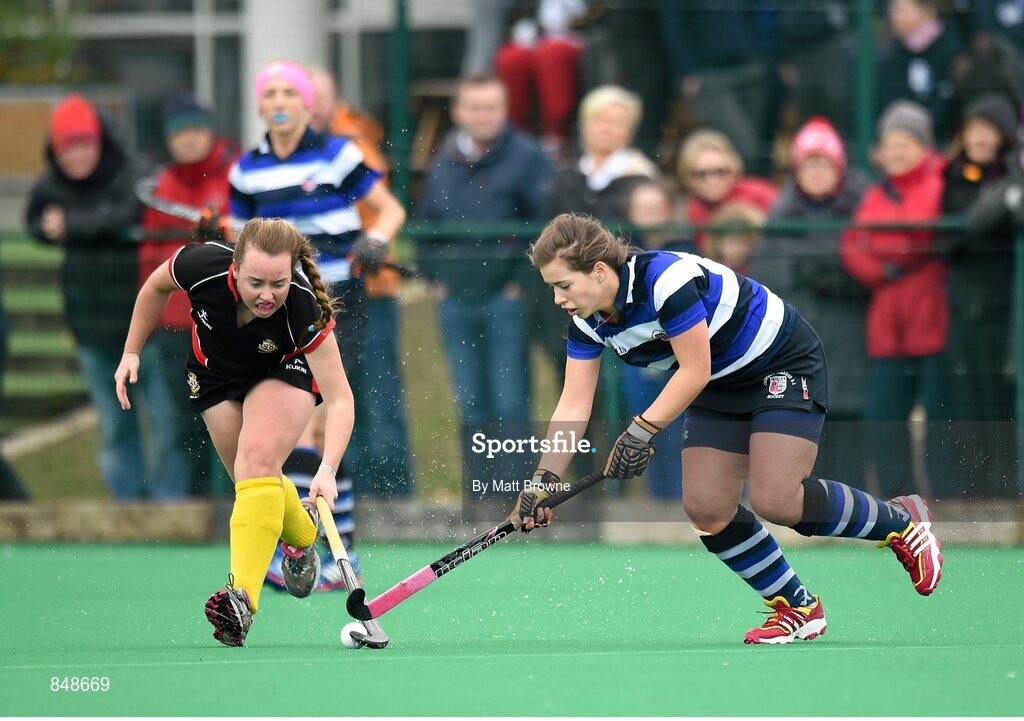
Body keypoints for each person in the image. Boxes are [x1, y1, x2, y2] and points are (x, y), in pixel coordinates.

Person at [507, 213, 943, 644]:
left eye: (563, 285)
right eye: (552, 288)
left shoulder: (665, 280)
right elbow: (574, 402)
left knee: (776, 497)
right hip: (719, 383)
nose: (558, 298)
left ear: (599, 270)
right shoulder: (586, 321)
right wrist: (542, 481)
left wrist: (641, 430)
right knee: (706, 506)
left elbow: (694, 370)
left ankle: (902, 524)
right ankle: (797, 607)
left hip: (779, 361)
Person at [114, 218, 352, 647]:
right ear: (235, 269)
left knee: (258, 459)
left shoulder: (302, 307)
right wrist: (131, 351)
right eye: (256, 282)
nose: (267, 295)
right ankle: (301, 535)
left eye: (278, 283)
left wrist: (328, 468)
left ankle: (240, 600)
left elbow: (340, 400)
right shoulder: (200, 264)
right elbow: (154, 288)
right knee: (253, 481)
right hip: (214, 377)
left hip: (282, 370)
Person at [229, 60, 406, 590]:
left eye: (290, 92)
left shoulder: (338, 153)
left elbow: (389, 209)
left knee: (321, 421)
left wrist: (378, 239)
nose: (280, 101)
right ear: (260, 105)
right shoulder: (246, 170)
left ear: (308, 106)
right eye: (271, 93)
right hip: (274, 306)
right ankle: (313, 549)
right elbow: (243, 243)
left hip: (335, 296)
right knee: (289, 428)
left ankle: (327, 551)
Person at [25, 93, 189, 500]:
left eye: (84, 145)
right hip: (90, 329)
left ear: (98, 141)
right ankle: (127, 507)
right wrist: (47, 226)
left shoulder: (131, 170)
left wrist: (72, 225)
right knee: (115, 426)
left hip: (143, 327)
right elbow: (33, 219)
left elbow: (125, 214)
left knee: (165, 422)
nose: (76, 157)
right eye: (67, 149)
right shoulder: (52, 182)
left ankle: (170, 508)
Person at [418, 73, 555, 489]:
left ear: (504, 109)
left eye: (492, 107)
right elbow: (426, 227)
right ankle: (480, 497)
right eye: (475, 107)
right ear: (459, 112)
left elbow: (547, 228)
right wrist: (436, 276)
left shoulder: (530, 158)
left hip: (506, 299)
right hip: (455, 301)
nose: (483, 115)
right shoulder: (442, 163)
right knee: (471, 401)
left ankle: (518, 498)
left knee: (511, 398)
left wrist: (520, 282)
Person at [308, 67, 413, 497]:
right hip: (320, 296)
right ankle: (346, 491)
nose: (308, 109)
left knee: (375, 395)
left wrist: (365, 244)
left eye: (316, 100)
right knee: (328, 400)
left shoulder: (350, 147)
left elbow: (379, 212)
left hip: (367, 292)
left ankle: (390, 497)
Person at [749, 116, 871, 487]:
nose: (817, 172)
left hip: (851, 337)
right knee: (804, 429)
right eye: (809, 164)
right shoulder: (779, 216)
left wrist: (812, 264)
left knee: (849, 423)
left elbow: (864, 269)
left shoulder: (865, 209)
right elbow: (770, 280)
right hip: (800, 342)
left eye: (825, 164)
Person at [841, 100, 949, 499]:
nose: (897, 150)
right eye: (889, 142)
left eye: (906, 141)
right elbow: (852, 245)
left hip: (932, 317)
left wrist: (880, 248)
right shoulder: (874, 193)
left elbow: (922, 235)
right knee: (884, 416)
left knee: (941, 416)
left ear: (925, 145)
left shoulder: (940, 182)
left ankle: (950, 497)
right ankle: (898, 502)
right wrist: (884, 266)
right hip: (887, 323)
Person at [139, 92, 238, 496]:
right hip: (176, 326)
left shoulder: (234, 175)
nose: (189, 140)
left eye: (196, 130)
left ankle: (237, 500)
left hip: (227, 323)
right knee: (183, 419)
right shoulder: (162, 186)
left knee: (231, 417)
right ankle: (195, 503)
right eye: (180, 133)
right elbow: (151, 257)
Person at [940, 93, 1021, 497]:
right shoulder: (954, 175)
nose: (979, 138)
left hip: (1002, 310)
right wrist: (1000, 204)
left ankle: (1007, 489)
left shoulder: (1015, 175)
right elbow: (951, 240)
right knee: (966, 404)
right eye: (973, 129)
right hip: (961, 307)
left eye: (988, 130)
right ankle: (974, 490)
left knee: (999, 401)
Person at [677, 129, 777, 254]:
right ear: (687, 178)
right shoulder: (694, 211)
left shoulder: (761, 193)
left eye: (720, 172)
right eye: (701, 174)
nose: (712, 181)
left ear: (734, 170)